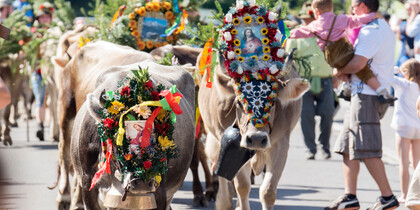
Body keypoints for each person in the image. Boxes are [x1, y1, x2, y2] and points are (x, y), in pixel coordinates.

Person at [325, 0, 400, 209]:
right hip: (363, 94)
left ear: (363, 7)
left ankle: (388, 197)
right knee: (347, 147)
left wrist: (340, 71)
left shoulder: (371, 31)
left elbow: (358, 63)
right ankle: (350, 196)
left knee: (366, 149)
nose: (351, 10)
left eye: (353, 6)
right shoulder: (378, 27)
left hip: (367, 96)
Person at [289, 0, 396, 104]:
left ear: (316, 11)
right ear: (332, 8)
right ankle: (381, 91)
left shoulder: (314, 25)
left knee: (341, 67)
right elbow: (357, 20)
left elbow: (299, 32)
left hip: (331, 58)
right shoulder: (339, 19)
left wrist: (286, 33)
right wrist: (373, 15)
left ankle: (346, 87)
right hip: (344, 53)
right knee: (363, 71)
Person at [286, 1, 334, 160]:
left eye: (310, 18)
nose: (308, 21)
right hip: (304, 82)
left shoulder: (326, 32)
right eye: (305, 18)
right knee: (306, 116)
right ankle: (310, 148)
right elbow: (289, 59)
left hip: (325, 80)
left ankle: (325, 146)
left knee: (327, 114)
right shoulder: (297, 34)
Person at [390, 59, 420, 203]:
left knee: (403, 163)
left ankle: (405, 194)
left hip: (404, 127)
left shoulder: (403, 84)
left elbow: (386, 74)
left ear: (407, 72)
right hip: (418, 128)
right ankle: (417, 195)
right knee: (417, 164)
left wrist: (397, 69)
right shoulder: (418, 87)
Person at [31, 2, 54, 141]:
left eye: (47, 17)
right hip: (38, 71)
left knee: (52, 100)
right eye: (42, 17)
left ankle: (53, 126)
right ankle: (40, 126)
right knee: (40, 99)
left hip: (52, 73)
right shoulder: (34, 34)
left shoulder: (56, 34)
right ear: (38, 19)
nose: (44, 19)